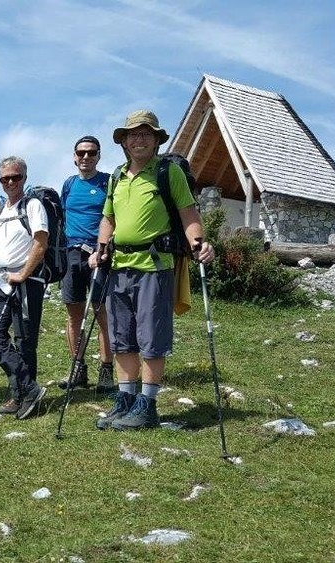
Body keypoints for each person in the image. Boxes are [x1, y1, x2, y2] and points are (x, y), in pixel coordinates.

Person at [89, 110, 214, 431]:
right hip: (119, 267)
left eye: (146, 134)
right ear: (124, 142)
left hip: (154, 267)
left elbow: (188, 213)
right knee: (122, 337)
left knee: (151, 337)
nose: (139, 139)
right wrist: (101, 248)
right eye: (133, 134)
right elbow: (108, 219)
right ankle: (126, 400)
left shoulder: (168, 173)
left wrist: (199, 244)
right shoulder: (117, 177)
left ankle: (147, 406)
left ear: (157, 140)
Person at [0, 157, 49, 420]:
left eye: (15, 177)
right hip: (1, 280)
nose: (10, 182)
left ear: (24, 177)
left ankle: (21, 396)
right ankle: (29, 389)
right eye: (5, 178)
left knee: (25, 340)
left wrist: (23, 273)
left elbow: (41, 242)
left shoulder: (33, 205)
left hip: (27, 281)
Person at [57, 136, 116, 393]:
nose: (86, 157)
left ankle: (106, 370)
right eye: (81, 153)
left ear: (98, 156)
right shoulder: (69, 184)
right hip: (72, 253)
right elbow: (62, 217)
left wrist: (105, 248)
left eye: (91, 153)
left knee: (101, 313)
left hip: (99, 253)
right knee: (74, 314)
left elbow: (115, 216)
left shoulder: (107, 182)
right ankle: (78, 369)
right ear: (74, 157)